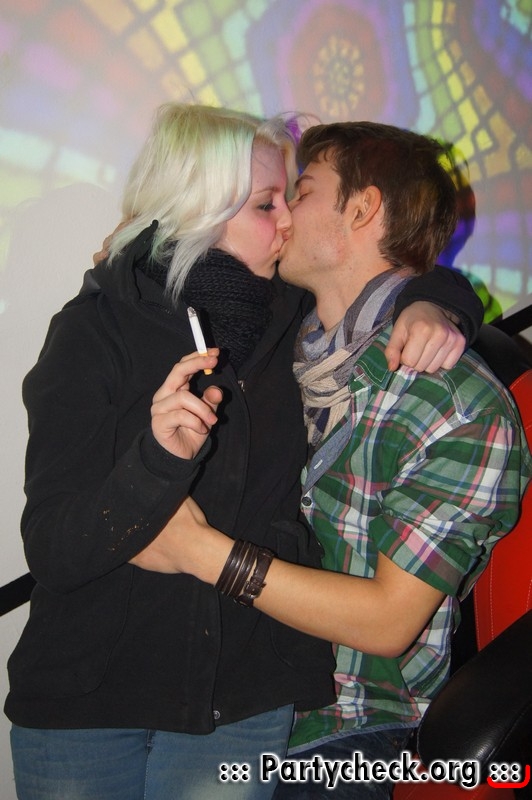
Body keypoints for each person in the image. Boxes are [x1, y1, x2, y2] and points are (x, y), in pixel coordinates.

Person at [5, 104, 483, 800]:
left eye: (291, 197)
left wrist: (439, 302)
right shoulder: (97, 327)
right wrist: (155, 464)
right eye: (266, 204)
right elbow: (53, 547)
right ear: (197, 209)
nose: (286, 219)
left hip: (240, 697)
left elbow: (392, 277)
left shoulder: (292, 320)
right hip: (87, 695)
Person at [148, 121, 532, 799]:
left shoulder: (455, 404)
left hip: (350, 723)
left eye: (300, 191)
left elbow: (386, 623)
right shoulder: (274, 340)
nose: (280, 214)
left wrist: (201, 551)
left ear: (362, 209)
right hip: (222, 692)